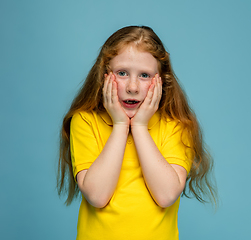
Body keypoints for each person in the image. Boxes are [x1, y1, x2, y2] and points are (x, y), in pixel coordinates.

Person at [56, 26, 217, 240]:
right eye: (122, 73)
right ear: (103, 77)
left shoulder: (176, 125)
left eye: (144, 75)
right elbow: (97, 195)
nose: (132, 87)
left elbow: (167, 195)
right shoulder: (85, 121)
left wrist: (139, 127)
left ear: (161, 80)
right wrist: (121, 125)